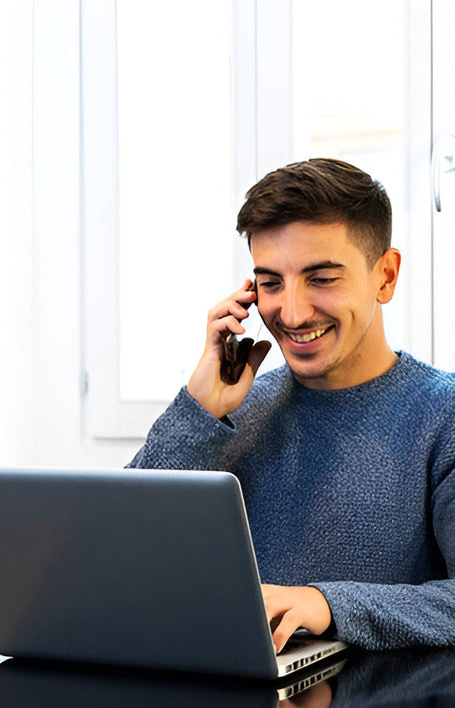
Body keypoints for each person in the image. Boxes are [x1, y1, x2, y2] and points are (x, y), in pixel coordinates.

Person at [128, 158, 455, 654]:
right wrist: (199, 411)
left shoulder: (442, 414)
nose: (293, 312)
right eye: (271, 283)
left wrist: (327, 605)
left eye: (321, 278)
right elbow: (117, 556)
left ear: (385, 277)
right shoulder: (232, 410)